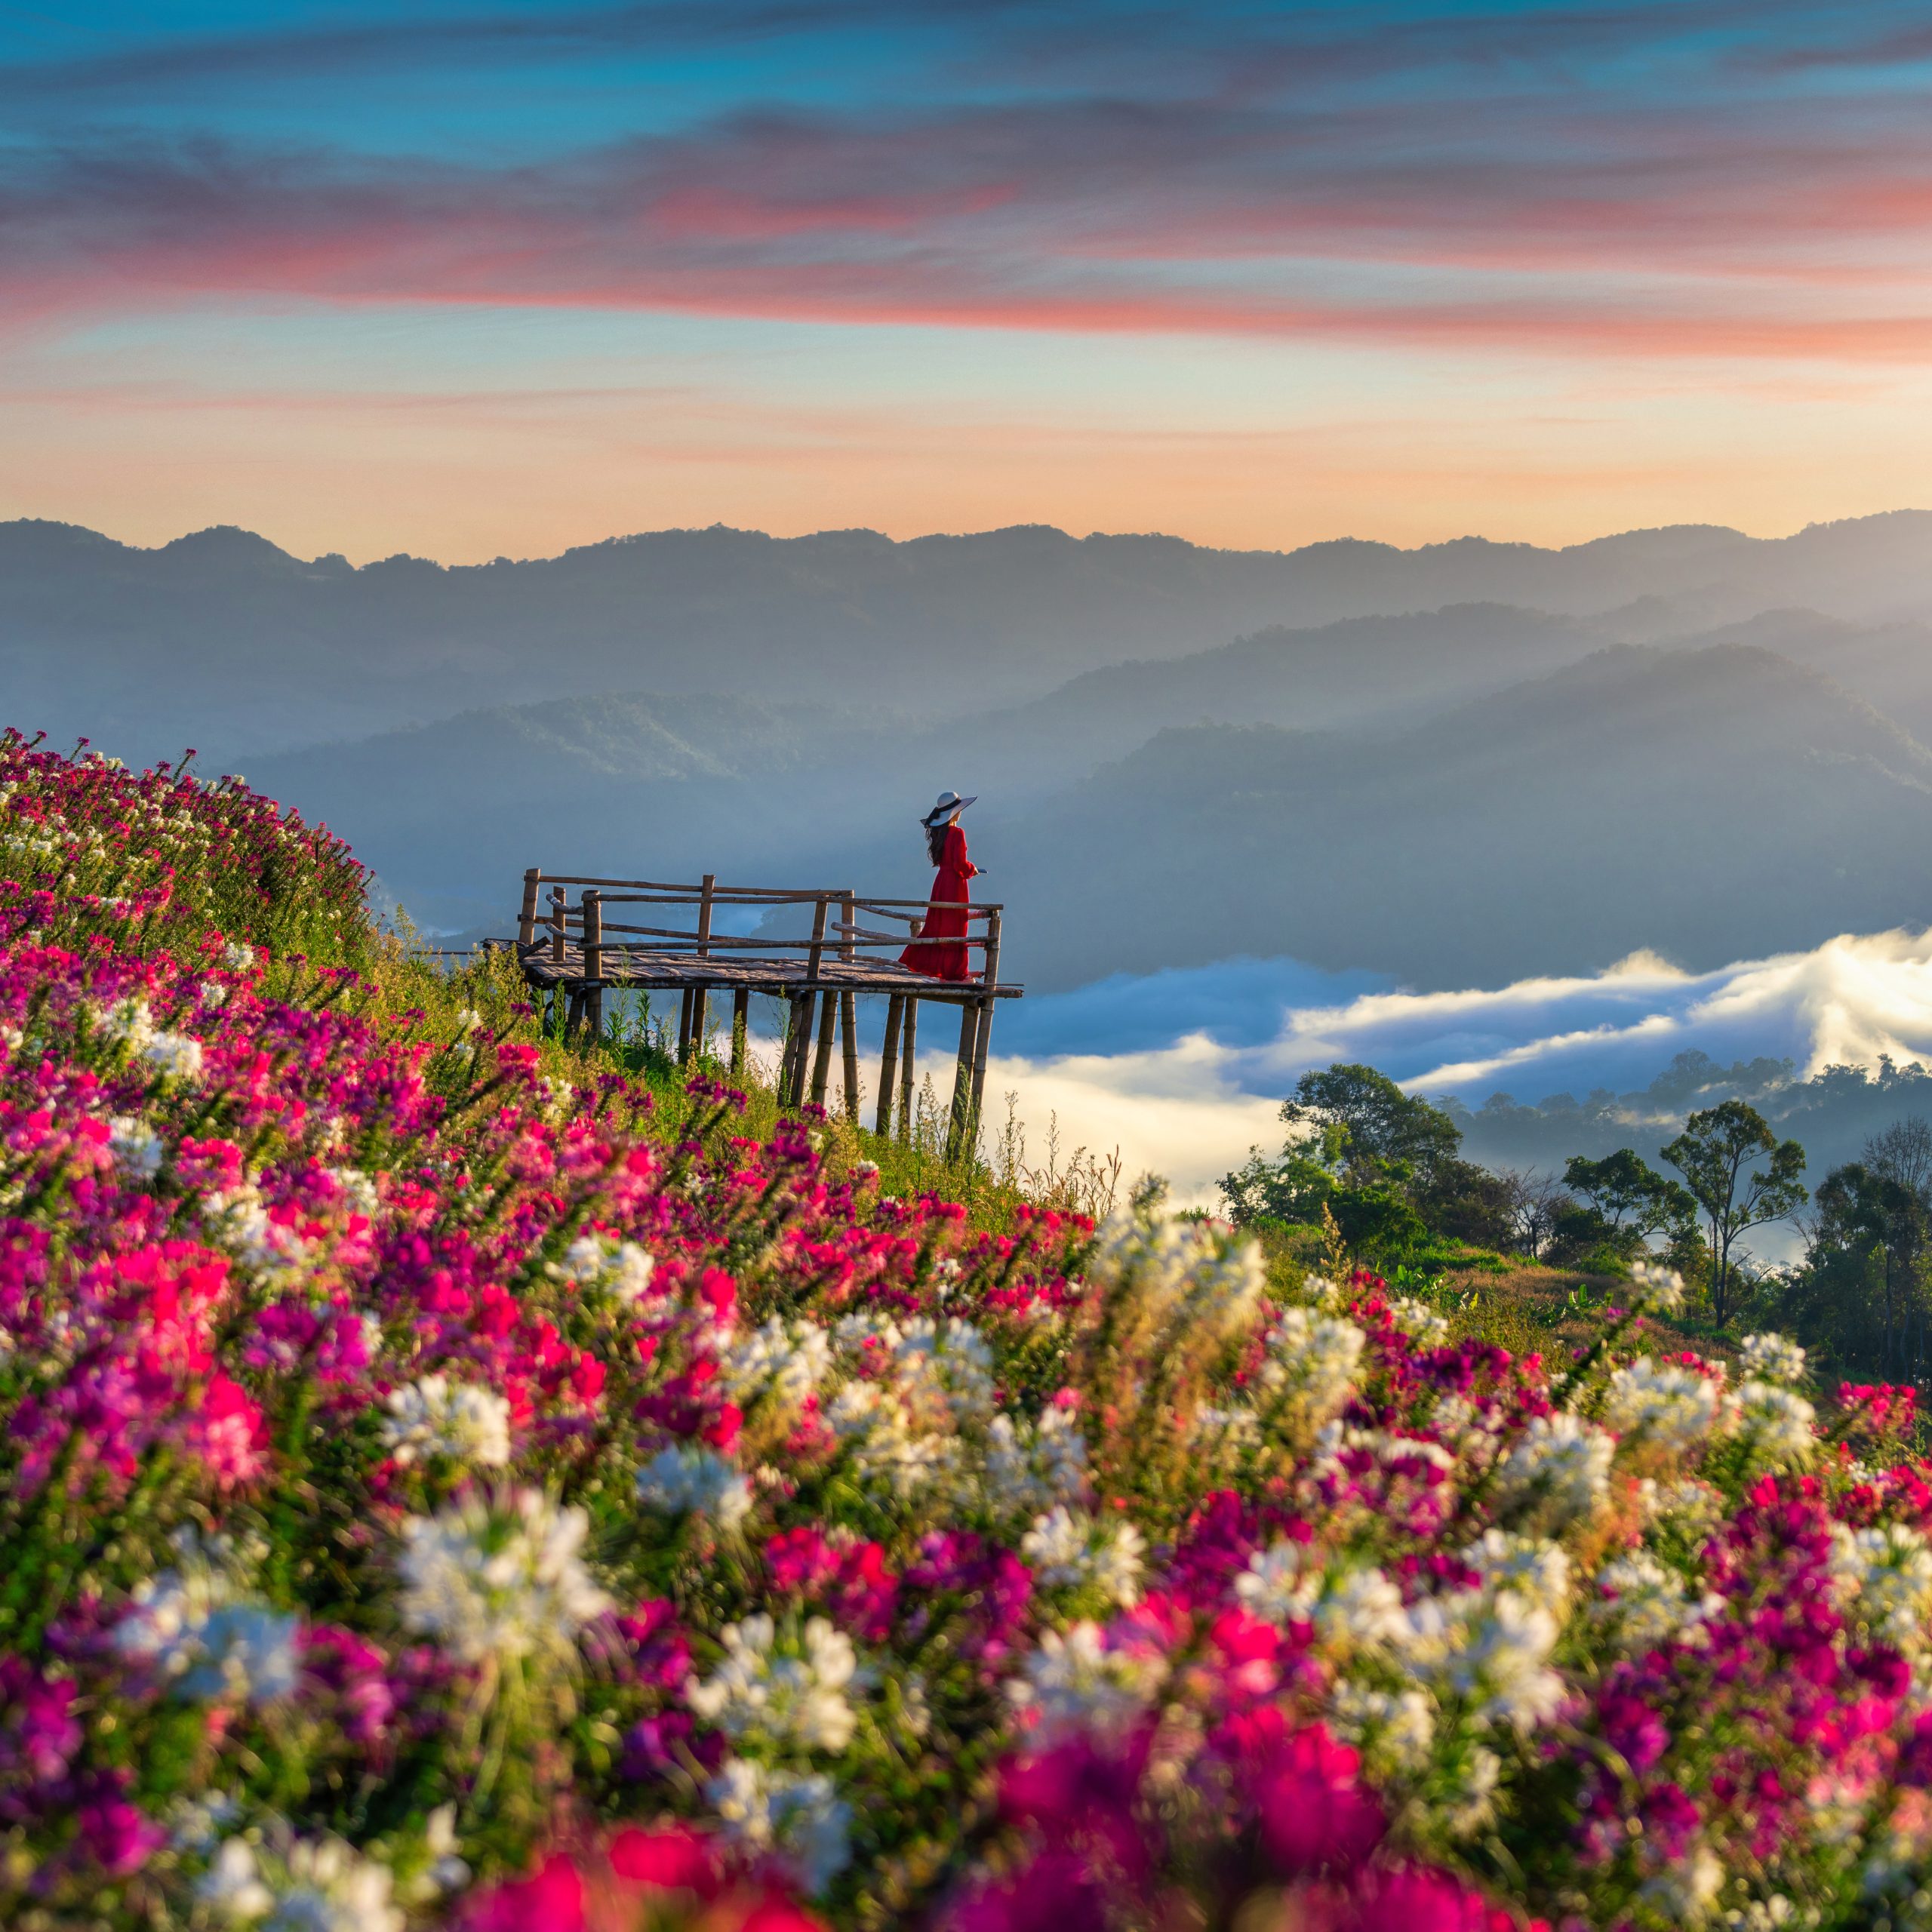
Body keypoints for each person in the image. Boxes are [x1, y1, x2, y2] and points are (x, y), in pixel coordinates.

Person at [900, 789, 980, 981]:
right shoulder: (957, 833)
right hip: (954, 884)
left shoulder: (940, 833)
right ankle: (957, 973)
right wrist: (972, 869)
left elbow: (947, 861)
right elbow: (960, 864)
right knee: (956, 926)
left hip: (941, 883)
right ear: (955, 813)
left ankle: (946, 970)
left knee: (939, 924)